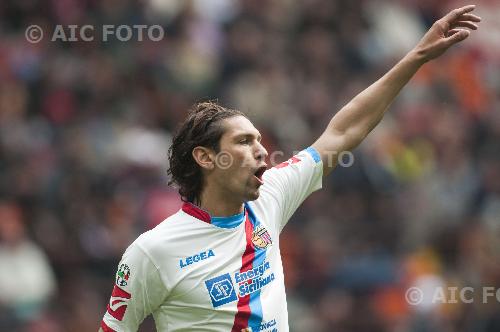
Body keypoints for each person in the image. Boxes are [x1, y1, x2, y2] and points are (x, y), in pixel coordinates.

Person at [99, 5, 481, 332]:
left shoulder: (270, 196)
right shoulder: (153, 252)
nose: (263, 152)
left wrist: (416, 57)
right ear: (206, 157)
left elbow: (343, 132)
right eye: (244, 142)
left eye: (260, 140)